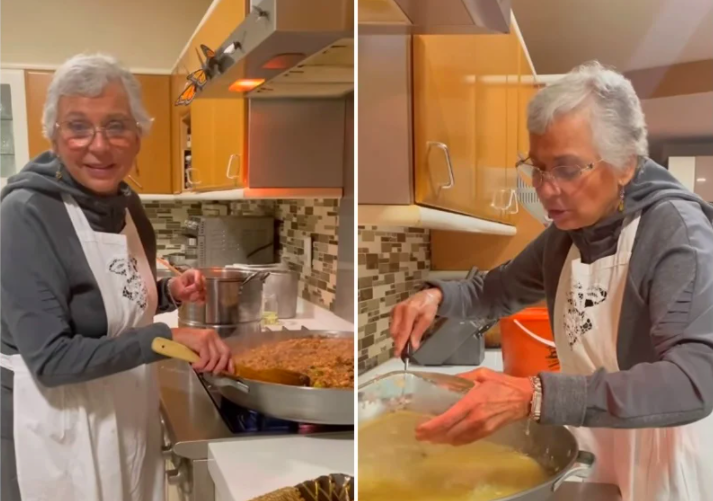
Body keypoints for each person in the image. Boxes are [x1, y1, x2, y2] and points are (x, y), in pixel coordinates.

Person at [390, 61, 713, 501]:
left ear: (624, 165)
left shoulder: (677, 232)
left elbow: (694, 381)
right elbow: (495, 291)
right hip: (595, 434)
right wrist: (434, 297)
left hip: (663, 447)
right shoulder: (566, 236)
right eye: (537, 168)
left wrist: (534, 394)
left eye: (565, 169)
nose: (544, 189)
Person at [0, 54, 234, 501]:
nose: (100, 146)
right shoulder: (26, 213)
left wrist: (167, 292)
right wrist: (167, 337)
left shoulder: (126, 205)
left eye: (116, 125)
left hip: (124, 408)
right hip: (57, 423)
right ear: (53, 135)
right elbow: (50, 359)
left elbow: (114, 299)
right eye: (78, 126)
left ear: (139, 135)